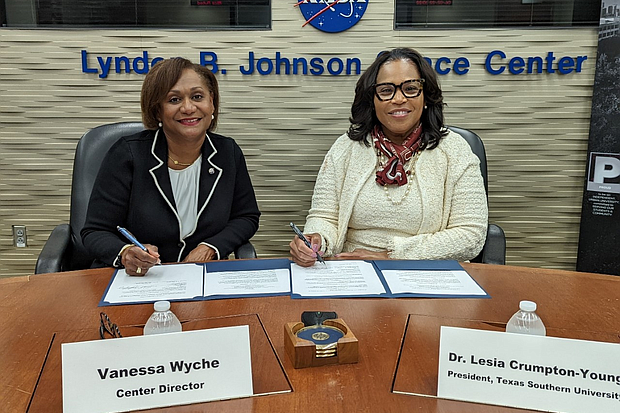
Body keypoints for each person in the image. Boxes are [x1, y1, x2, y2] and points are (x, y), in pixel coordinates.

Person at [290, 48, 488, 267]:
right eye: (386, 91)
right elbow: (325, 217)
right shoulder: (345, 148)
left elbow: (471, 235)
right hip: (352, 271)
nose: (399, 98)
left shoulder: (455, 150)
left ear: (426, 98)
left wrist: (391, 256)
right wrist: (317, 240)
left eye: (411, 88)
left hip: (428, 272)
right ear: (372, 100)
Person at [82, 57, 260, 275]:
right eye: (174, 100)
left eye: (197, 97)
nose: (188, 108)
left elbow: (246, 217)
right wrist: (126, 252)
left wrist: (210, 248)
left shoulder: (227, 152)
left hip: (202, 276)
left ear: (211, 102)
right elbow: (95, 230)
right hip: (140, 279)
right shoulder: (128, 154)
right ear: (157, 111)